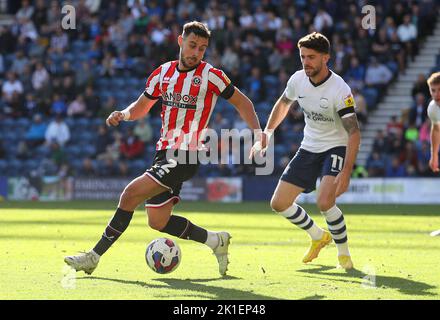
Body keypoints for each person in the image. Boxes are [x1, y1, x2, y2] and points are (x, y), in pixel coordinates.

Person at [64, 21, 262, 275]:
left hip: (186, 154)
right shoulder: (162, 73)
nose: (196, 53)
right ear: (180, 42)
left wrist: (259, 133)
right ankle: (216, 240)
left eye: (202, 49)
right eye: (192, 45)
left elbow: (243, 103)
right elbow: (140, 107)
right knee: (158, 222)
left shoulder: (211, 75)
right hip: (164, 153)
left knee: (129, 194)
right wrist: (122, 115)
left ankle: (93, 256)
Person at [251, 32, 361, 269]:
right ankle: (318, 235)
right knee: (279, 203)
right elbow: (283, 103)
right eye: (303, 57)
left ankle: (344, 254)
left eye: (311, 57)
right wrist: (267, 133)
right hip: (309, 146)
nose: (306, 62)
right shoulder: (297, 80)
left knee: (324, 201)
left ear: (326, 58)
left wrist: (347, 172)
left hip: (336, 147)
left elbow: (353, 132)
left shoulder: (340, 90)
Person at [426, 72, 440, 237]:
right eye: (433, 90)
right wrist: (434, 154)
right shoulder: (433, 108)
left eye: (439, 90)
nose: (436, 94)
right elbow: (436, 129)